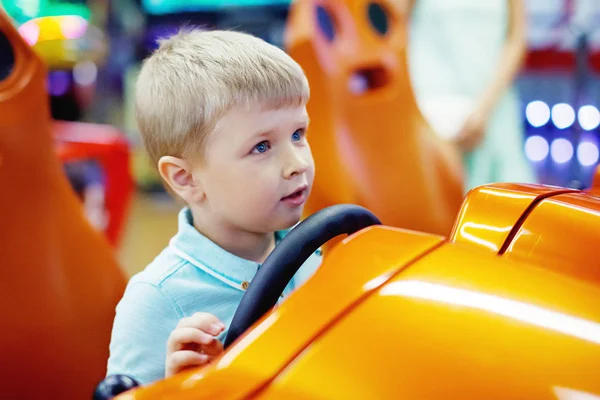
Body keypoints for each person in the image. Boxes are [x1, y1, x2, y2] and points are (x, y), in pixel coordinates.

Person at [106, 28, 321, 385]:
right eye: (262, 147)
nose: (297, 162)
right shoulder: (156, 302)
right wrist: (178, 388)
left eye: (298, 134)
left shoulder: (314, 255)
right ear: (185, 178)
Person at [408, 0, 537, 192]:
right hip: (428, 109)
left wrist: (484, 110)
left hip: (494, 107)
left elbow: (516, 38)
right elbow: (395, 25)